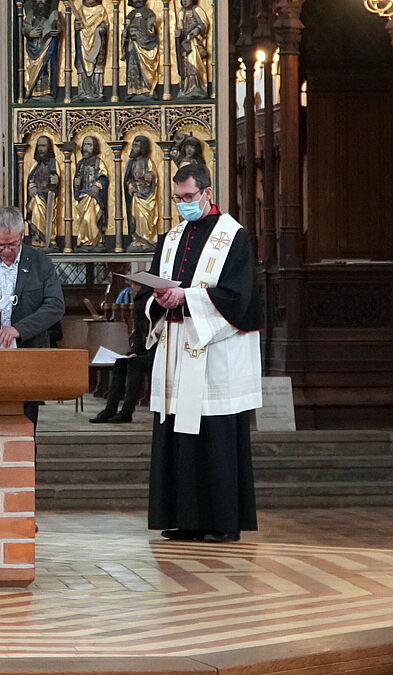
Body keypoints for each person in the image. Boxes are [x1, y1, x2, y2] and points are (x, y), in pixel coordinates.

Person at [145, 162, 261, 543]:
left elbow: (239, 296)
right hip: (176, 349)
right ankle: (185, 519)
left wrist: (188, 297)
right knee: (178, 435)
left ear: (208, 192)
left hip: (214, 352)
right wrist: (160, 298)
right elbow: (151, 293)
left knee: (216, 434)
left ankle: (223, 521)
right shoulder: (172, 237)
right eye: (178, 199)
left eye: (189, 197)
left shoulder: (235, 237)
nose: (183, 205)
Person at [0, 206, 65, 426]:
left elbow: (55, 305)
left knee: (25, 423)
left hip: (28, 355)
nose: (7, 251)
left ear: (22, 235)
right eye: (0, 245)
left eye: (12, 245)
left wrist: (19, 330)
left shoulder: (40, 262)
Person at [91, 280, 149, 424]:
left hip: (158, 352)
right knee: (121, 362)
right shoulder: (139, 303)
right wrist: (135, 351)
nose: (132, 288)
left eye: (135, 284)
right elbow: (138, 332)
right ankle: (110, 410)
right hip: (143, 351)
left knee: (134, 364)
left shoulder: (154, 303)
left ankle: (127, 411)